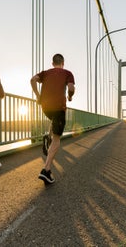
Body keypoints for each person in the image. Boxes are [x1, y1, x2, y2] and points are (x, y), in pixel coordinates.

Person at [30, 54, 75, 184]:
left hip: (46, 108)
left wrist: (38, 96)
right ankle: (46, 170)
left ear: (52, 63)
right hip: (59, 108)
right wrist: (70, 96)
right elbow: (71, 88)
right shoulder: (67, 73)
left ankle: (47, 136)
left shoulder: (45, 73)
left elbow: (32, 80)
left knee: (54, 122)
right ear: (63, 63)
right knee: (57, 139)